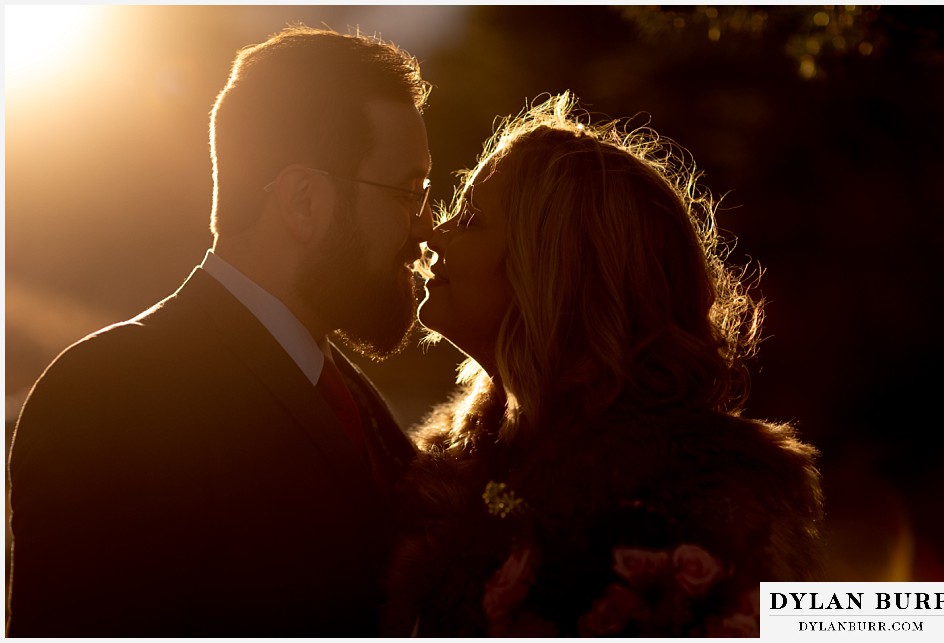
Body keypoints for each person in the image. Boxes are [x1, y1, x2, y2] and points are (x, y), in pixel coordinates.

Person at [7, 26, 432, 636]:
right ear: (304, 201)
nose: (424, 230)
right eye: (408, 192)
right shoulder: (104, 395)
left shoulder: (363, 407)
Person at [381, 92, 824, 637]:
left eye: (469, 219)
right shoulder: (456, 460)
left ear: (550, 269)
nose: (432, 235)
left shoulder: (698, 499)